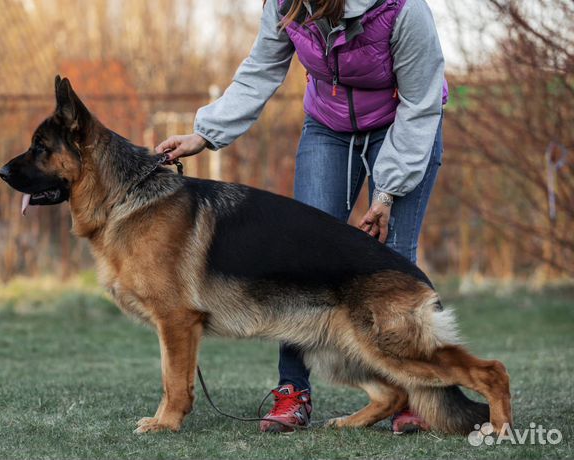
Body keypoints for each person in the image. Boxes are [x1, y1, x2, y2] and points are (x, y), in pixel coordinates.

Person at [156, 0, 446, 434]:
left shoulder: (402, 11)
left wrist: (386, 192)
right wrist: (206, 133)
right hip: (328, 129)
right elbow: (260, 69)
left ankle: (416, 395)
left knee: (392, 259)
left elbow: (421, 103)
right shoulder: (285, 5)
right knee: (300, 264)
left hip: (403, 127)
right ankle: (293, 391)